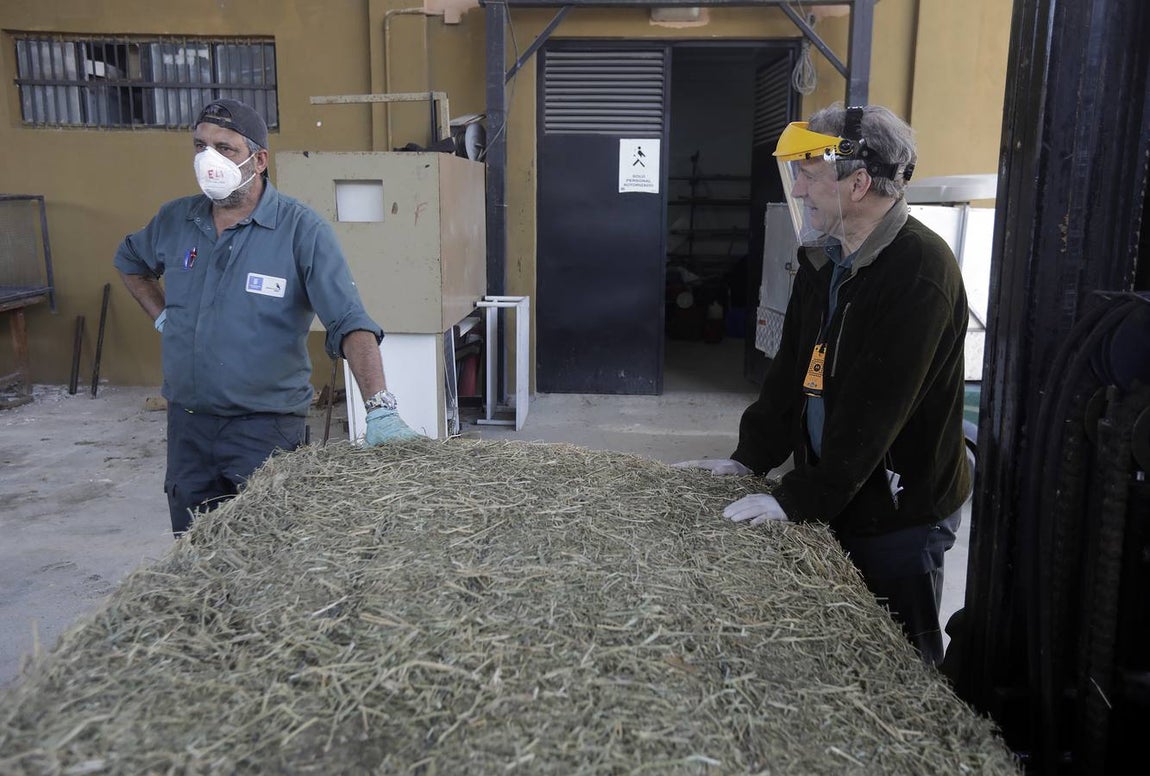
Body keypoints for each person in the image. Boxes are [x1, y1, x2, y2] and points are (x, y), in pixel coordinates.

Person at [675, 104, 971, 666]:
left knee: (898, 659)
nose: (801, 188)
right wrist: (751, 457)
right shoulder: (825, 256)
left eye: (810, 173)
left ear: (858, 182)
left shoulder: (919, 271)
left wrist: (800, 499)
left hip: (898, 510)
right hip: (839, 490)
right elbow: (793, 367)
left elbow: (875, 412)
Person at [115, 98, 419, 537]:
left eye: (225, 148)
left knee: (267, 552)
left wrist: (380, 408)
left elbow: (349, 320)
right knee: (194, 550)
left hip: (265, 432)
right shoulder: (176, 219)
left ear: (258, 159)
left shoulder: (300, 230)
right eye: (201, 146)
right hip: (189, 428)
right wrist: (162, 315)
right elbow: (129, 261)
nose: (209, 160)